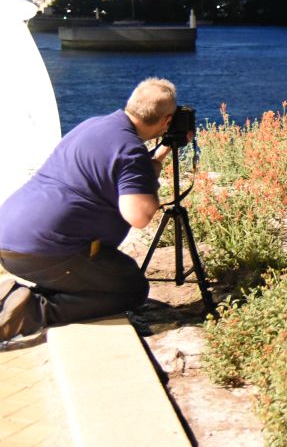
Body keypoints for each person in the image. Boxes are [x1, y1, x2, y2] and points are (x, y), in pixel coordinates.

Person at [0, 78, 180, 342]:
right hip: (46, 250)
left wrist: (163, 150)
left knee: (107, 273)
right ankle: (29, 312)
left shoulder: (93, 125)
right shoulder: (131, 151)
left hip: (11, 236)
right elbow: (139, 216)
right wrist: (152, 186)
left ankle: (17, 296)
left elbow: (122, 170)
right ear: (166, 120)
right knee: (130, 288)